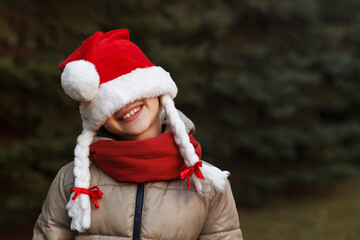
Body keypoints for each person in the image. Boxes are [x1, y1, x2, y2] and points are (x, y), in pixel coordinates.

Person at [32, 29, 243, 240]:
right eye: (108, 104)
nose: (124, 105)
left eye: (133, 92)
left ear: (157, 91)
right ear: (98, 118)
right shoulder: (72, 181)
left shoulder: (207, 182)